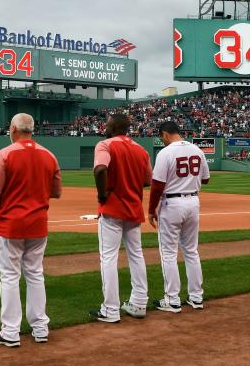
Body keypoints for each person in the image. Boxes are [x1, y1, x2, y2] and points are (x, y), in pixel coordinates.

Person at [0, 114, 62, 347]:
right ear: (32, 130)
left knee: (9, 276)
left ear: (13, 129)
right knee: (35, 274)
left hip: (11, 224)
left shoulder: (5, 154)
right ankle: (40, 328)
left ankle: (10, 331)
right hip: (38, 223)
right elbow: (56, 192)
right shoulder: (49, 155)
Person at [90, 113, 152, 322]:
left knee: (108, 257)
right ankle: (139, 303)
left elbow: (100, 170)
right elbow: (146, 181)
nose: (105, 126)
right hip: (133, 208)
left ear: (114, 127)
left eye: (107, 124)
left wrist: (102, 194)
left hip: (112, 208)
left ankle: (110, 309)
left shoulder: (105, 145)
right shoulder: (141, 149)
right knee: (136, 255)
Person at [147, 121, 210, 310]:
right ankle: (196, 297)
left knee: (168, 253)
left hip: (172, 204)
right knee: (191, 251)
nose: (162, 140)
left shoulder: (165, 153)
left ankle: (172, 300)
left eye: (161, 137)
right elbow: (206, 179)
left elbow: (157, 185)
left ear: (165, 134)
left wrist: (151, 210)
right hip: (193, 202)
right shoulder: (197, 150)